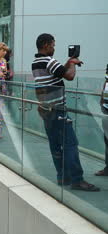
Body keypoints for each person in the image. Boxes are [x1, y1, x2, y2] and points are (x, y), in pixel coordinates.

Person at [31, 33, 99, 191]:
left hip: (46, 109)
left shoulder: (36, 62)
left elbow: (57, 72)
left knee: (55, 145)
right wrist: (73, 64)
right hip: (58, 110)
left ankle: (62, 176)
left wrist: (68, 62)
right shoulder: (48, 60)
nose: (54, 48)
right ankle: (77, 179)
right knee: (70, 144)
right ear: (46, 45)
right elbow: (69, 76)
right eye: (53, 45)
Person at [96, 65, 108, 176]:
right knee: (107, 140)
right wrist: (101, 102)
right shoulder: (107, 80)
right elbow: (105, 85)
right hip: (106, 111)